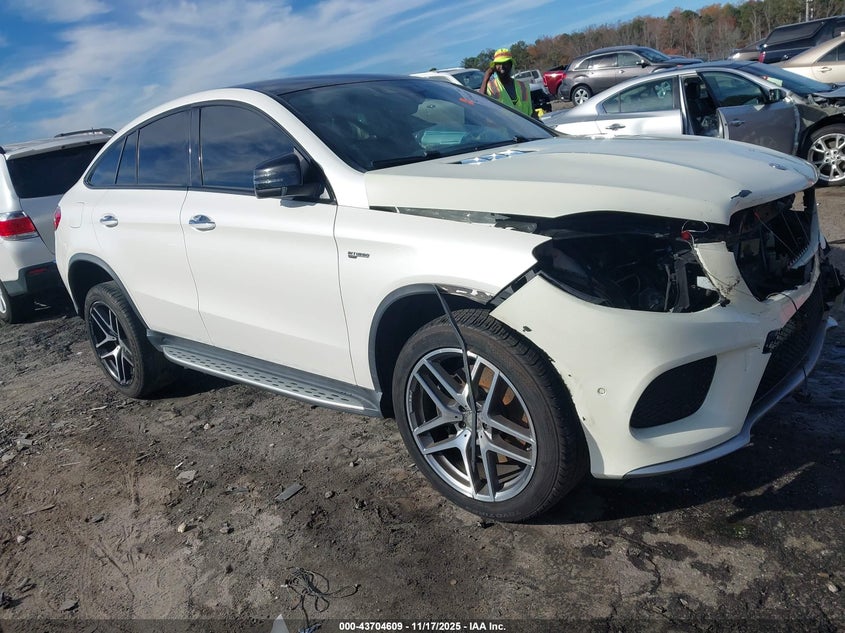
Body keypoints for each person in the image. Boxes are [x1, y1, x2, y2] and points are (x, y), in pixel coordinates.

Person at [481, 48, 535, 118]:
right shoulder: (489, 87)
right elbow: (480, 102)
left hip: (525, 127)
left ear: (510, 65)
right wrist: (486, 78)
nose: (502, 67)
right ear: (494, 67)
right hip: (504, 128)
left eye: (505, 63)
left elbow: (531, 111)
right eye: (498, 64)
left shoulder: (523, 86)